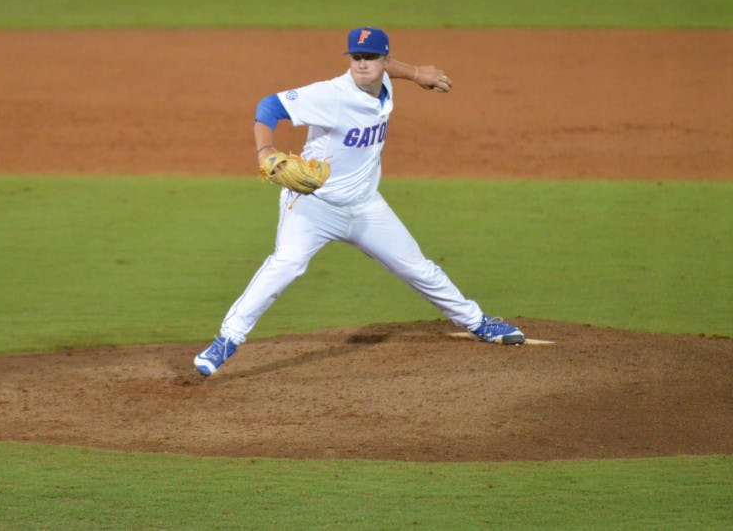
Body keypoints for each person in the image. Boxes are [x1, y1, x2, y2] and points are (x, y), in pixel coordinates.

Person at [193, 27, 524, 377]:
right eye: (355, 57)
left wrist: (415, 74)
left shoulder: (385, 82)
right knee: (285, 265)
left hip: (366, 206)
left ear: (383, 60)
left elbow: (390, 68)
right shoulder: (330, 95)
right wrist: (266, 150)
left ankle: (477, 322)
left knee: (417, 267)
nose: (361, 64)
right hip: (314, 206)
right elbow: (269, 106)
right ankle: (226, 341)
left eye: (369, 57)